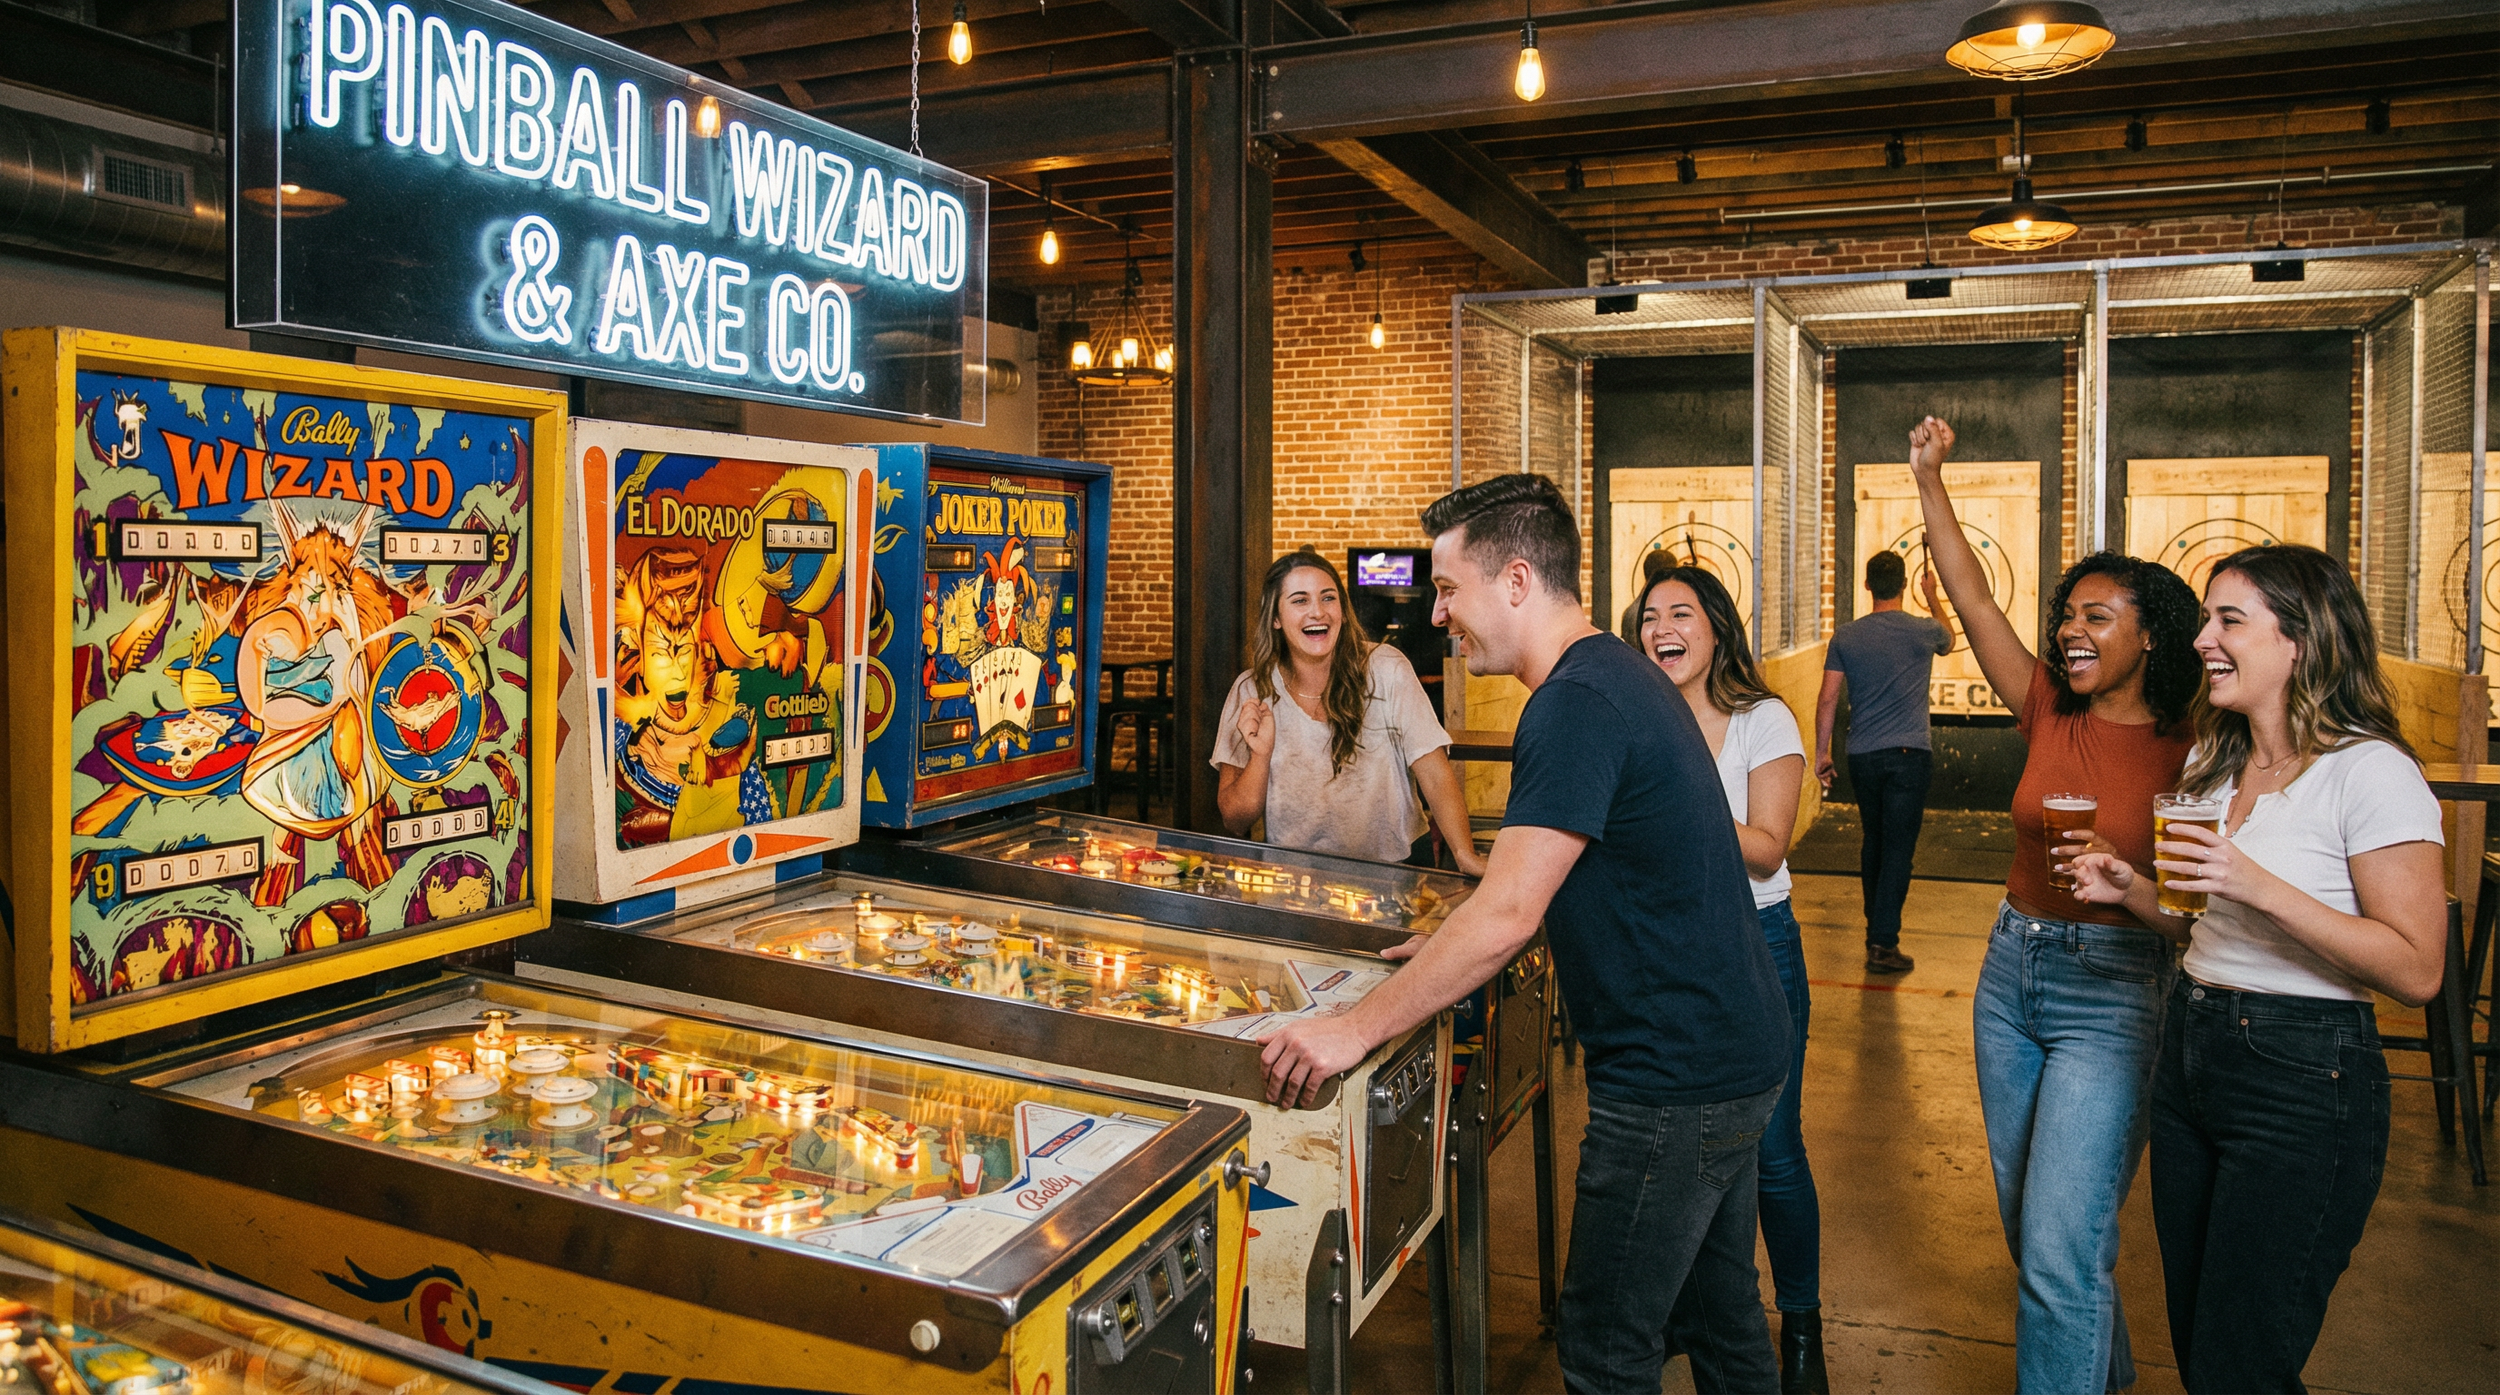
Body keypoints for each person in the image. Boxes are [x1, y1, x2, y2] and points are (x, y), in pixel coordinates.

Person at [1258, 473, 1790, 1395]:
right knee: (1720, 1317)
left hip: (1672, 1078)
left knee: (1605, 1350)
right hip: (1730, 1049)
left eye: (1451, 587)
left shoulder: (1576, 701)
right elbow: (1536, 882)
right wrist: (1452, 938)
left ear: (1514, 579)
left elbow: (1509, 914)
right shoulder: (1613, 675)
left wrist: (1353, 1027)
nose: (1440, 612)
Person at [2069, 544, 2446, 1393]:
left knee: (2243, 1364)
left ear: (2301, 641)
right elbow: (2198, 922)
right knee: (2206, 1352)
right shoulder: (2219, 759)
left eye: (2228, 620)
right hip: (2193, 1049)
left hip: (2303, 1073)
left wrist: (2257, 882)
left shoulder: (2370, 772)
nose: (2203, 638)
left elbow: (2419, 968)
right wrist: (2132, 889)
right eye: (2207, 618)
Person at [1906, 416, 2205, 1394]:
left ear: (2151, 634)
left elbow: (2203, 912)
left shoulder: (2195, 746)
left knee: (2057, 1253)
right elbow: (1968, 591)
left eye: (2098, 616)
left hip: (2117, 994)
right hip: (2008, 977)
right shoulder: (2044, 706)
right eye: (2065, 614)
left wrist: (2135, 893)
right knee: (2034, 1229)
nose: (2071, 629)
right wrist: (1928, 479)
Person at [1636, 564, 1828, 1395]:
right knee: (1688, 1147)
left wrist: (1669, 806)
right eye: (1647, 616)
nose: (1661, 627)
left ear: (1716, 627)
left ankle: (1803, 1323)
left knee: (1772, 1149)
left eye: (1680, 612)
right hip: (1670, 951)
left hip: (1757, 945)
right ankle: (1711, 1312)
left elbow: (1767, 845)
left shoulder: (1764, 719)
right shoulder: (1642, 722)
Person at [1213, 547, 1485, 875]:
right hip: (1298, 877)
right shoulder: (1252, 690)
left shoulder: (1387, 668)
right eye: (1300, 601)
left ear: (1342, 609)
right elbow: (1234, 818)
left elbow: (1435, 775)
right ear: (1275, 617)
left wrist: (1464, 854)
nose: (1318, 612)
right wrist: (1260, 755)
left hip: (1397, 869)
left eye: (1328, 598)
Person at [1817, 548, 1951, 972]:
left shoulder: (1846, 635)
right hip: (1910, 755)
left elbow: (1827, 698)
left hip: (1863, 756)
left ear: (1868, 585)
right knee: (1897, 850)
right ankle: (1883, 943)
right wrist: (1933, 596)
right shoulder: (1922, 630)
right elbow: (1950, 638)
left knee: (1873, 843)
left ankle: (1876, 932)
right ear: (1905, 584)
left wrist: (1823, 752)